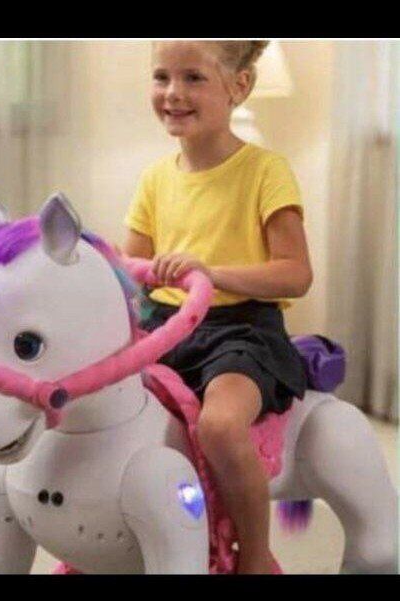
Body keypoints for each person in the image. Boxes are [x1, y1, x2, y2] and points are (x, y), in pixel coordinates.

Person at [123, 40, 312, 574]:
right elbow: (129, 272)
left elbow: (296, 273)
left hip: (240, 331)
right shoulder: (154, 178)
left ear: (239, 86)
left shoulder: (265, 170)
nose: (172, 93)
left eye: (193, 78)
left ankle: (254, 557)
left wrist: (210, 272)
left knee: (220, 426)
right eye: (161, 77)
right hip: (164, 330)